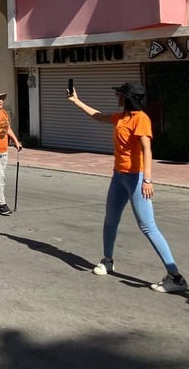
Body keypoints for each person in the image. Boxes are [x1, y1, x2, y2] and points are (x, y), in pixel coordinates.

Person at [68, 82, 187, 293]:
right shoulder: (122, 118)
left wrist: (147, 180)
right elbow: (97, 116)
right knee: (110, 220)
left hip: (136, 178)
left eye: (120, 94)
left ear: (128, 97)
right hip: (119, 177)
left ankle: (175, 277)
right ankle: (107, 261)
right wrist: (76, 101)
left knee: (148, 226)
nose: (117, 97)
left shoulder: (141, 119)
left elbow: (147, 151)